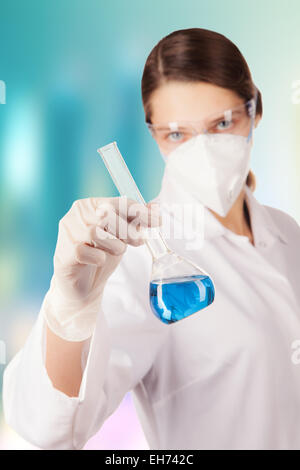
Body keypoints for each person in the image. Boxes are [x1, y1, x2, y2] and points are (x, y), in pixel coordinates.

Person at [3, 28, 300, 450]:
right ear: (154, 134)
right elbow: (49, 429)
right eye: (177, 133)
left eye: (223, 122)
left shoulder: (288, 232)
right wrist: (71, 303)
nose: (206, 150)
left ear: (255, 110)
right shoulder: (137, 260)